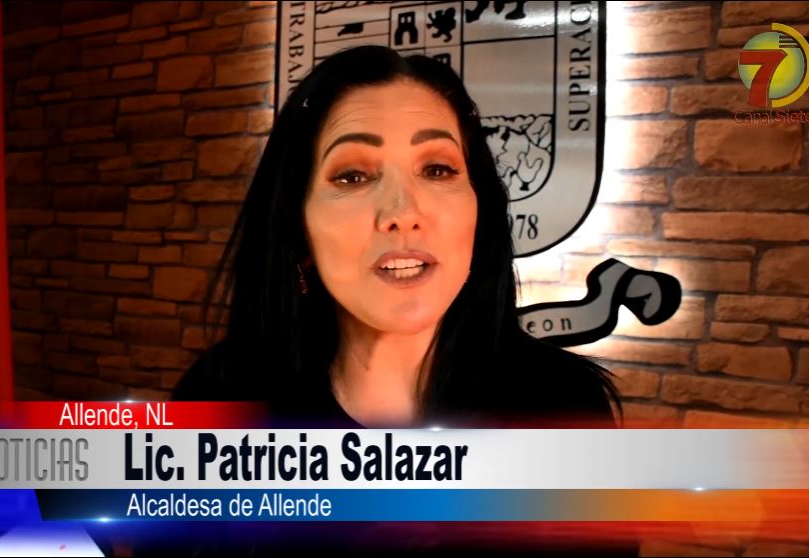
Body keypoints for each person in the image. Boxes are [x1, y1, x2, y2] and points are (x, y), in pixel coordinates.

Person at [168, 45, 634, 554]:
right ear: (299, 229)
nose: (402, 212)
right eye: (353, 176)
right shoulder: (218, 400)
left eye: (437, 169)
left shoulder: (563, 405)